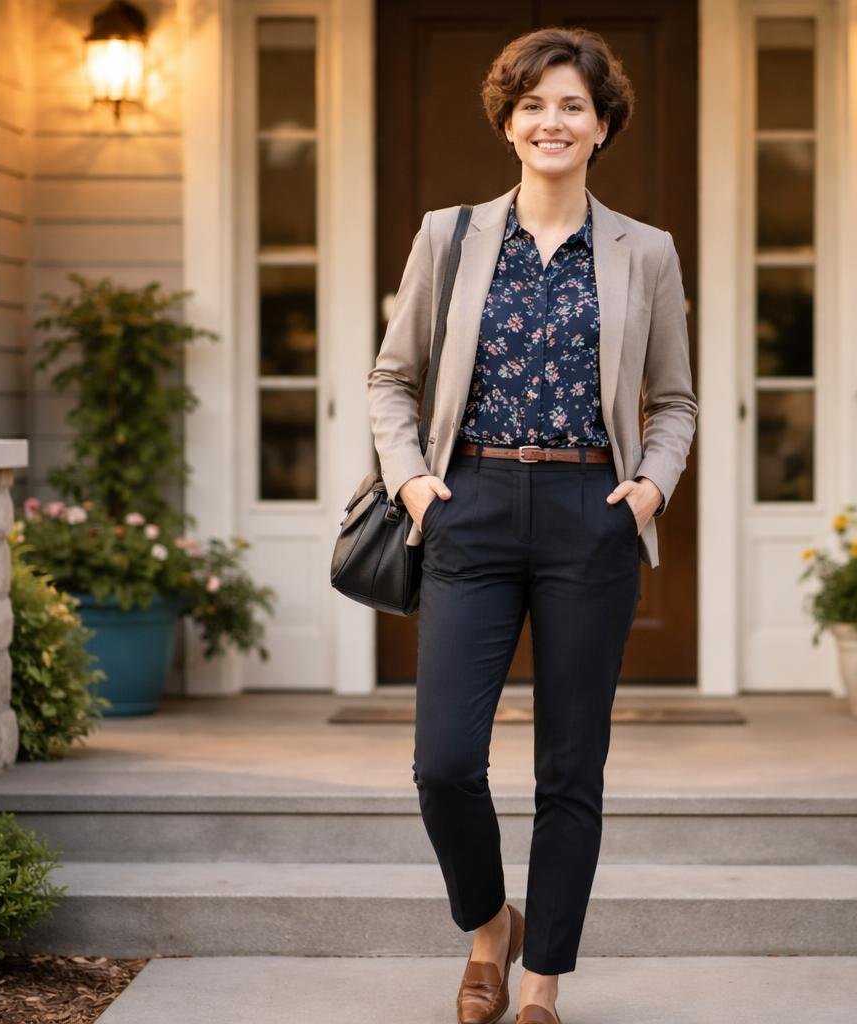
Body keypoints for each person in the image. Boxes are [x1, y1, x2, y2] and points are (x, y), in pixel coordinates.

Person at [366, 25, 696, 1024]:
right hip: (466, 507)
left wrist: (648, 489)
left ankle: (542, 979)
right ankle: (487, 928)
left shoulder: (647, 253)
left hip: (588, 514)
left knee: (569, 767)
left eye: (573, 106)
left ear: (603, 127)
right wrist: (415, 484)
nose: (552, 121)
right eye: (534, 104)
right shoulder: (449, 236)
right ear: (509, 123)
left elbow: (673, 399)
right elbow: (393, 380)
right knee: (445, 762)